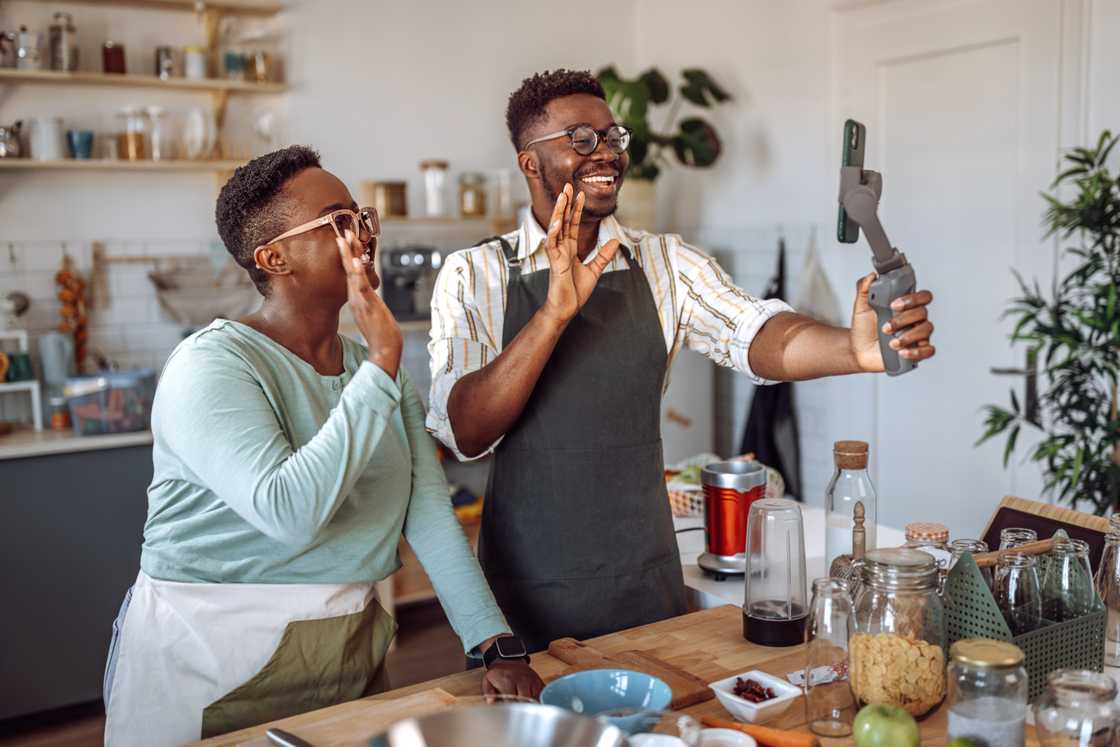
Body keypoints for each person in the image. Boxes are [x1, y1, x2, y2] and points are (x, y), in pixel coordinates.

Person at [426, 70, 936, 652]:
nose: (608, 154)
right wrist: (552, 316)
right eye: (581, 139)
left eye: (612, 136)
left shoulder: (663, 261)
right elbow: (465, 432)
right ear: (530, 164)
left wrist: (853, 349)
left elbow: (755, 332)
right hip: (522, 600)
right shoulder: (476, 275)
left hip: (643, 588)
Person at [103, 146, 541, 747]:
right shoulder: (211, 366)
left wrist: (493, 643)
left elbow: (430, 514)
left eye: (360, 216)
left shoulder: (369, 370)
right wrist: (385, 361)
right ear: (273, 257)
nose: (362, 235)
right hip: (209, 668)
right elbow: (289, 511)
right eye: (338, 221)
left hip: (344, 657)